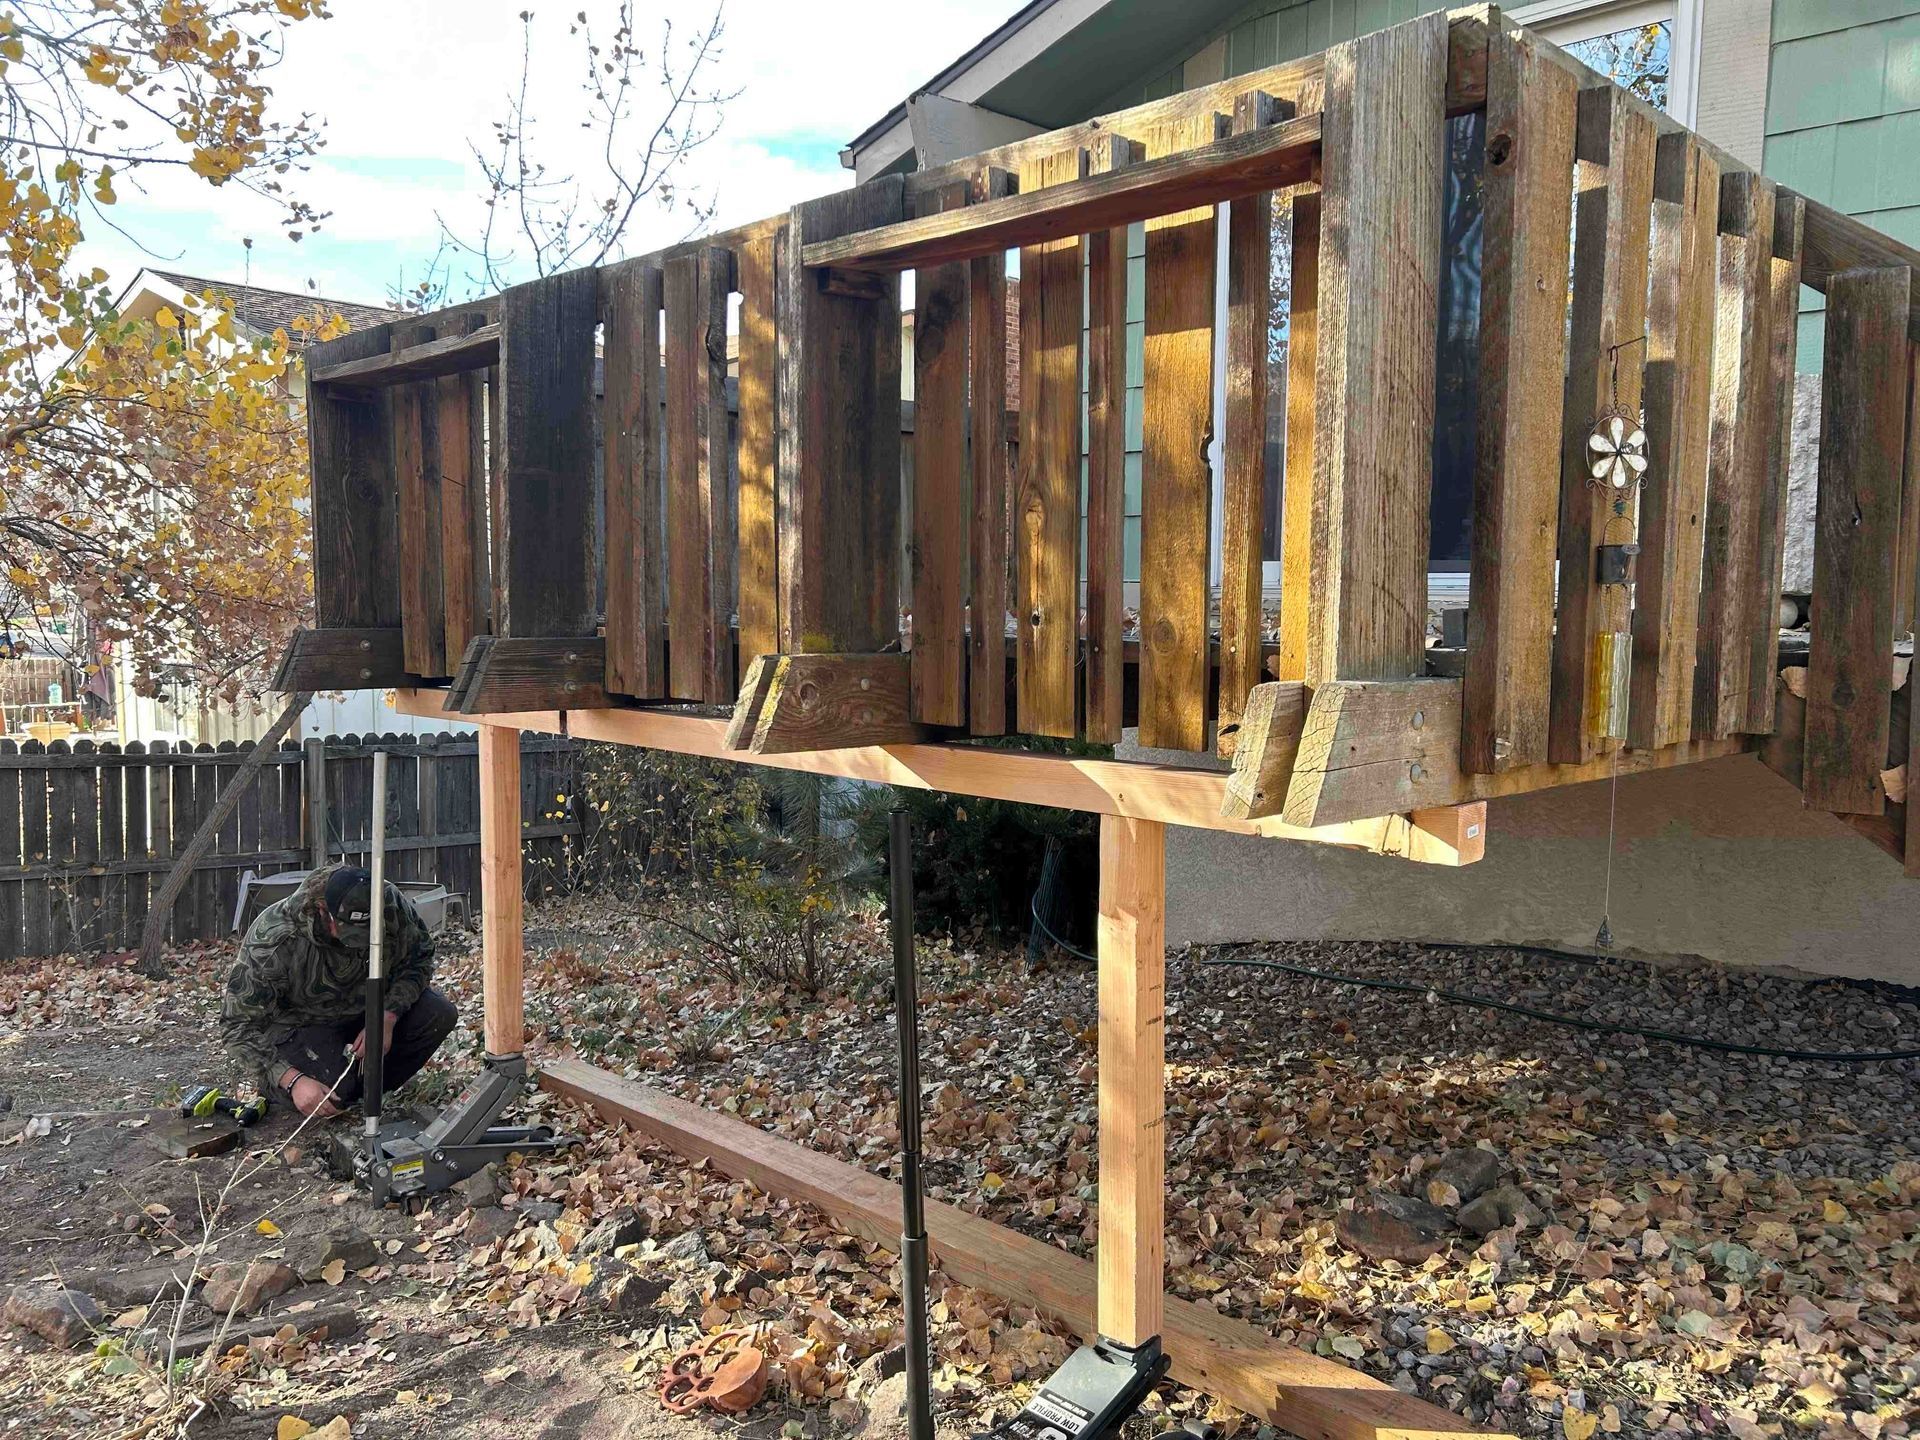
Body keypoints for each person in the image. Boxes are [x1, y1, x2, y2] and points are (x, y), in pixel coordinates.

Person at [221, 864, 457, 1118]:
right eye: (351, 933)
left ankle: (367, 1093)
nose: (361, 941)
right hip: (302, 1023)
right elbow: (236, 1027)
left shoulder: (389, 903)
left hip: (367, 1009)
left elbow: (419, 959)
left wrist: (387, 1016)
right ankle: (299, 1087)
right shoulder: (275, 939)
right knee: (331, 1092)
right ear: (323, 911)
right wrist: (291, 1079)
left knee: (438, 1014)